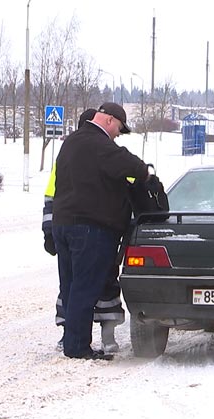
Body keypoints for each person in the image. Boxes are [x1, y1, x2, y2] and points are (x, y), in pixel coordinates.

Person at [52, 102, 149, 360]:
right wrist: (145, 175)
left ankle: (72, 342)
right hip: (90, 229)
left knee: (71, 286)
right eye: (118, 128)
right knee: (85, 289)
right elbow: (134, 166)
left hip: (63, 224)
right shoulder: (100, 145)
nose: (117, 134)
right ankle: (78, 347)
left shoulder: (70, 142)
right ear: (108, 120)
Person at [42, 108, 124, 354]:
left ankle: (83, 338)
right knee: (82, 288)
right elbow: (51, 198)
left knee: (76, 287)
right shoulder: (95, 153)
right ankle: (75, 340)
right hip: (93, 231)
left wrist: (50, 230)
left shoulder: (81, 152)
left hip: (77, 229)